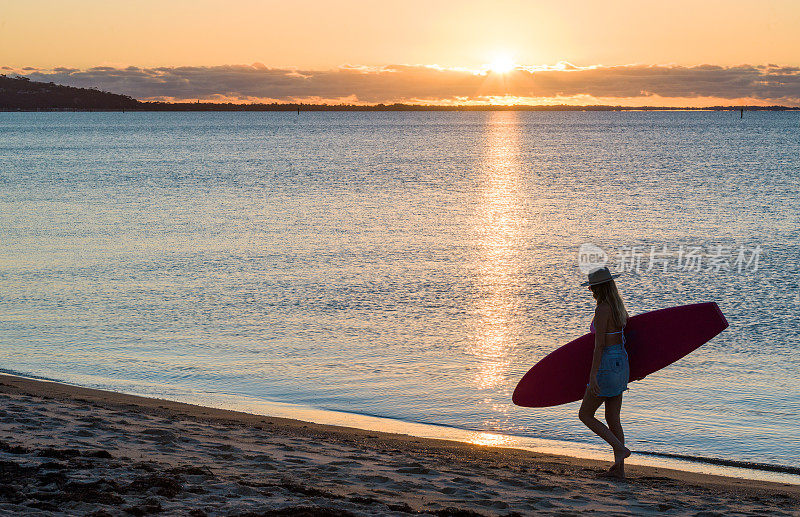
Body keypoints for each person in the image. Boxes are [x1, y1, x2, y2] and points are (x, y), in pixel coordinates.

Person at [578, 266, 631, 478]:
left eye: (592, 287)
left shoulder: (602, 310)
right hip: (622, 361)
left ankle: (619, 449)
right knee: (613, 418)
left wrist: (593, 376)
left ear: (600, 288)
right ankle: (619, 471)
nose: (590, 290)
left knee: (585, 414)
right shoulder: (619, 307)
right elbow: (625, 340)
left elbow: (599, 346)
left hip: (607, 363)